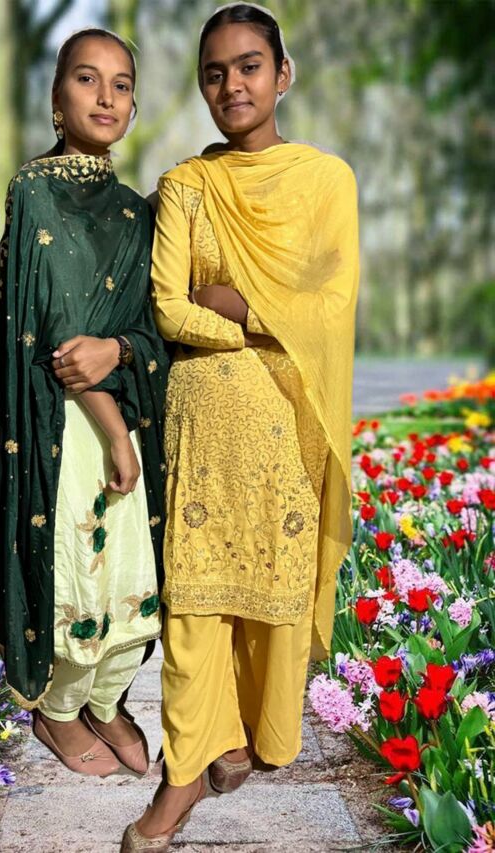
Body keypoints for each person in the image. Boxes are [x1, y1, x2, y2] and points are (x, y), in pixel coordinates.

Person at [122, 3, 359, 849]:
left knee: (270, 595)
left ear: (283, 74)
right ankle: (180, 777)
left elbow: (332, 306)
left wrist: (241, 306)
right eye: (215, 72)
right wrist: (257, 326)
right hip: (201, 424)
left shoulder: (327, 181)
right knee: (194, 606)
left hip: (288, 424)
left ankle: (246, 737)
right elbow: (170, 308)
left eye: (250, 65)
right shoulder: (187, 184)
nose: (232, 85)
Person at [0, 28, 169, 779]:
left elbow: (150, 329)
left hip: (125, 413)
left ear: (134, 105)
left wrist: (121, 352)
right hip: (60, 423)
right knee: (77, 572)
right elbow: (54, 328)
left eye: (122, 84)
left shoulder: (134, 213)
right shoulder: (34, 190)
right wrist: (115, 435)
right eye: (87, 79)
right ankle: (58, 711)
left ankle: (106, 700)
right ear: (56, 99)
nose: (106, 97)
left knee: (131, 577)